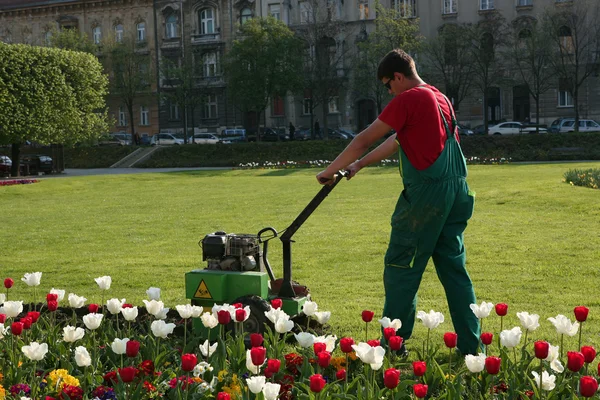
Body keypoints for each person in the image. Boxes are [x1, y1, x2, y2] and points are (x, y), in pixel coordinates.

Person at [316, 49, 480, 355]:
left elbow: (365, 137)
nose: (388, 92)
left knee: (401, 266)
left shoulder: (410, 98)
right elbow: (398, 140)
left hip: (426, 198)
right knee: (455, 271)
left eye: (388, 85)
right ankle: (471, 348)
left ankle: (393, 345)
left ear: (399, 77)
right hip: (457, 192)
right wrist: (359, 165)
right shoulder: (440, 99)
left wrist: (327, 171)